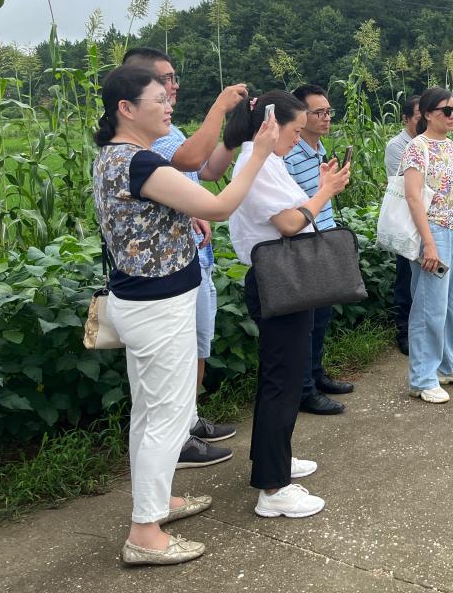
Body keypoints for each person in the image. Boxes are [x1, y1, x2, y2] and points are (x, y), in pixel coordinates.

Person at [93, 65, 277, 565]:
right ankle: (144, 533)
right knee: (167, 416)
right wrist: (259, 153)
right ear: (126, 109)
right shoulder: (139, 162)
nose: (169, 104)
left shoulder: (116, 157)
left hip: (138, 300)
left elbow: (152, 211)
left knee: (149, 413)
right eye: (159, 98)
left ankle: (158, 503)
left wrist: (183, 210)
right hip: (159, 306)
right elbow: (221, 205)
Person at [225, 90, 350, 519]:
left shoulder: (267, 160)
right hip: (278, 279)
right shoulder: (257, 163)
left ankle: (273, 458)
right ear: (272, 124)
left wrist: (318, 188)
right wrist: (325, 192)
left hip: (283, 276)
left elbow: (294, 207)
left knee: (283, 377)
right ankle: (273, 488)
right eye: (295, 130)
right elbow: (291, 221)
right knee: (282, 381)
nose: (299, 139)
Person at [123, 47, 245, 470]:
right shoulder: (143, 142)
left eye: (174, 78)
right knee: (177, 357)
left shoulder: (166, 128)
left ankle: (187, 422)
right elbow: (191, 163)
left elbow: (206, 171)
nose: (173, 87)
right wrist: (220, 108)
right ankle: (176, 440)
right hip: (169, 269)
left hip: (194, 256)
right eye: (165, 80)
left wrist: (235, 137)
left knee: (197, 344)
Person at [401, 87, 453, 402]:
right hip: (432, 232)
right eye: (446, 111)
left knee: (452, 305)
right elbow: (412, 197)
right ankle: (422, 378)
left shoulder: (447, 144)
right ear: (428, 114)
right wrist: (429, 243)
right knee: (429, 307)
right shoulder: (417, 148)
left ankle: (449, 365)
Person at [284, 84, 355, 415]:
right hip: (304, 243)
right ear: (300, 115)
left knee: (321, 317)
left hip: (324, 238)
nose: (327, 118)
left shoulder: (318, 149)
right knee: (307, 323)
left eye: (329, 111)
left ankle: (316, 375)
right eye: (319, 112)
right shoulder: (289, 156)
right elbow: (292, 207)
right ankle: (304, 391)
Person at [384, 94, 421, 355]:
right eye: (419, 117)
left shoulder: (433, 142)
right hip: (408, 220)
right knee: (406, 277)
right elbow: (410, 184)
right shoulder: (397, 146)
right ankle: (404, 331)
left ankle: (423, 328)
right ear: (406, 118)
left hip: (431, 219)